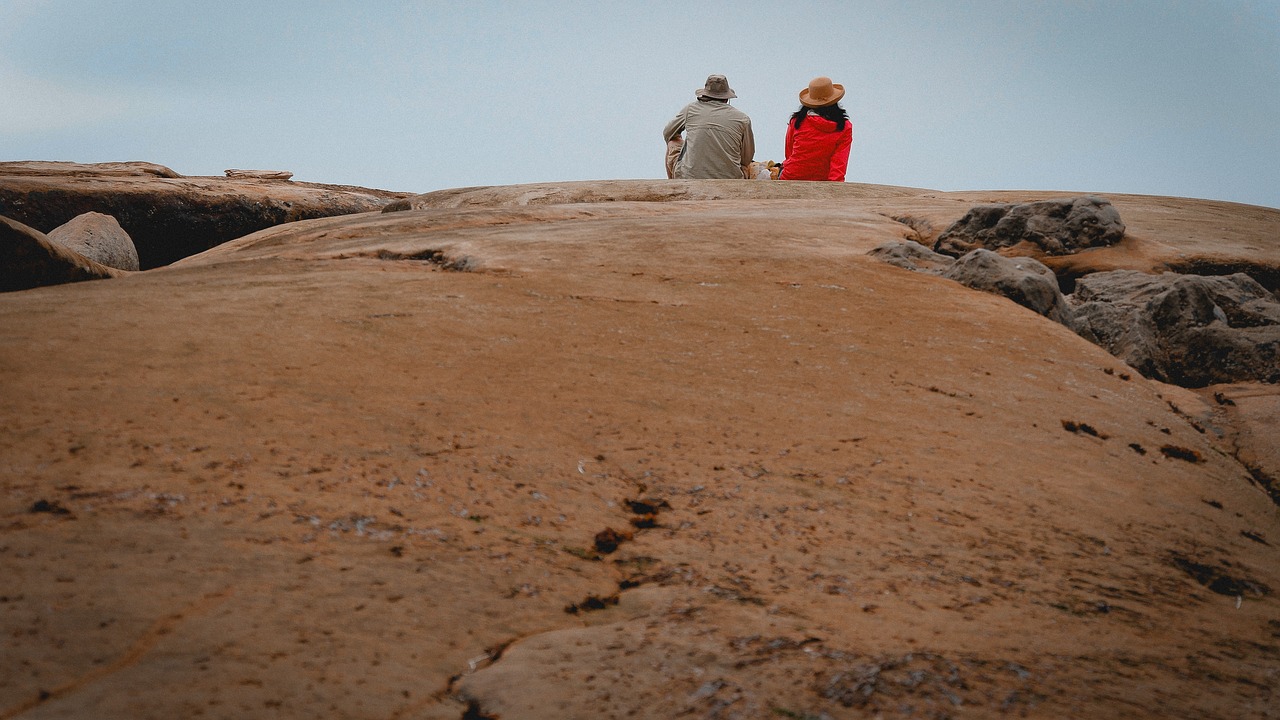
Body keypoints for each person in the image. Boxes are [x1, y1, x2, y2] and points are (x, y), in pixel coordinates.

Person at [663, 74, 755, 180]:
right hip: (731, 178)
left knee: (673, 141)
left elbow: (668, 133)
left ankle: (674, 185)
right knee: (743, 164)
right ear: (726, 98)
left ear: (705, 94)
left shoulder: (691, 109)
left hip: (690, 177)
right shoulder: (742, 118)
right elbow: (747, 158)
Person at [780, 76, 853, 182]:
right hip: (821, 179)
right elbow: (839, 163)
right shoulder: (845, 127)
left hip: (791, 175)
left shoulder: (797, 121)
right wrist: (834, 187)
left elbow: (789, 153)